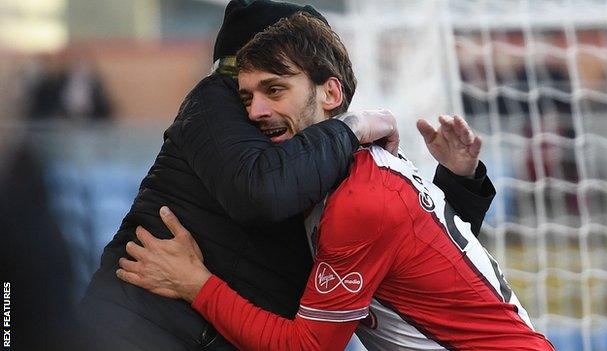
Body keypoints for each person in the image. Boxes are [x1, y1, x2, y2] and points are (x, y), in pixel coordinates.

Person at [117, 12, 554, 351]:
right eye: (247, 98)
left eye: (274, 90)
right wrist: (457, 181)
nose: (254, 113)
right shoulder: (352, 173)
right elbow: (433, 270)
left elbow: (304, 346)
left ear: (330, 94)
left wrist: (196, 283)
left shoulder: (359, 198)